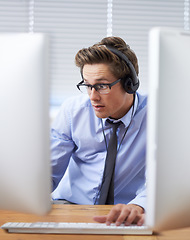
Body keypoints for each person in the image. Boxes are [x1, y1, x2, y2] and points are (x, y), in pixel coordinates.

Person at [51, 36, 147, 226]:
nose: (92, 96)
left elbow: (166, 179)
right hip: (70, 207)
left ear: (130, 84)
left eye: (102, 86)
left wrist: (140, 205)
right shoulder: (73, 111)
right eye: (87, 85)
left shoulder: (157, 115)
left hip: (126, 214)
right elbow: (49, 171)